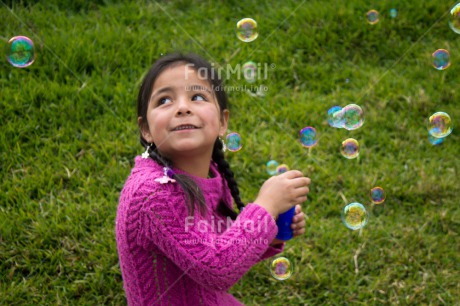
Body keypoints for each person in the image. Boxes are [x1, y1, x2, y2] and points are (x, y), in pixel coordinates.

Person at [115, 53, 311, 306]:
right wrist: (265, 207)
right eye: (164, 100)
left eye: (198, 97)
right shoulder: (153, 194)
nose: (182, 108)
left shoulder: (210, 174)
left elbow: (221, 243)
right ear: (146, 130)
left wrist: (269, 235)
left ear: (222, 122)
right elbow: (217, 267)